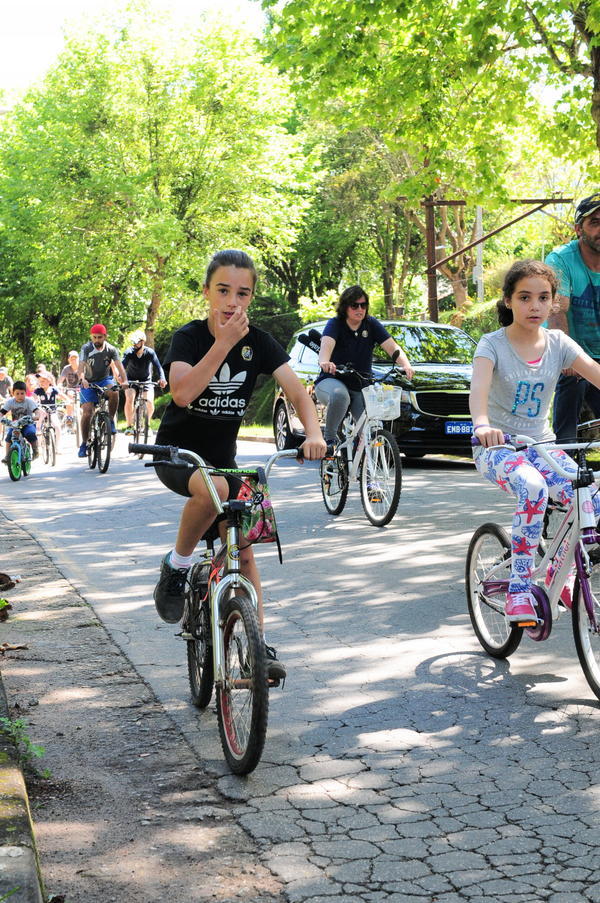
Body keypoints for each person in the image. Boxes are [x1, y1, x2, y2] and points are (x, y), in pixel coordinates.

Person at [152, 249, 327, 680]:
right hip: (178, 455)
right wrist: (224, 343)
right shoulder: (189, 338)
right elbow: (182, 394)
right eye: (223, 291)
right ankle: (176, 566)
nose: (233, 302)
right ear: (207, 291)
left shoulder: (261, 343)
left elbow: (299, 393)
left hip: (222, 465)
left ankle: (257, 643)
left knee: (244, 551)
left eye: (242, 293)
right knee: (219, 490)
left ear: (251, 297)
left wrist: (315, 434)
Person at [470, 259, 600, 623]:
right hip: (497, 447)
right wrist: (482, 426)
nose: (535, 306)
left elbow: (596, 374)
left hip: (542, 446)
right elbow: (477, 392)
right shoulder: (491, 344)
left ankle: (563, 573)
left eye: (544, 298)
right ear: (509, 300)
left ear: (554, 302)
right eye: (525, 297)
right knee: (534, 488)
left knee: (587, 494)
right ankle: (518, 591)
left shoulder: (558, 342)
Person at [314, 285, 414, 444]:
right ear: (345, 307)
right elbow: (326, 345)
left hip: (360, 384)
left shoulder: (371, 324)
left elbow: (392, 347)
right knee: (340, 396)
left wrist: (406, 365)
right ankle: (329, 441)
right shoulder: (335, 324)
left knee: (368, 431)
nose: (359, 309)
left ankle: (364, 462)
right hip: (332, 380)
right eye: (354, 305)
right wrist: (325, 362)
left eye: (363, 305)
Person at [546, 193, 600, 441]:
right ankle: (563, 456)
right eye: (595, 222)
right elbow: (557, 310)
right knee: (570, 383)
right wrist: (568, 356)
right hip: (575, 351)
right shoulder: (561, 260)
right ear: (579, 229)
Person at [77, 324, 128, 458]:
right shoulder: (86, 348)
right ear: (91, 337)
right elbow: (80, 367)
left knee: (114, 392)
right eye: (94, 337)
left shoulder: (111, 349)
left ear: (105, 336)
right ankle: (84, 443)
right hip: (87, 382)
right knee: (87, 412)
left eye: (100, 337)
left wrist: (125, 380)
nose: (97, 340)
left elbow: (120, 367)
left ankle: (110, 420)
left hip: (105, 380)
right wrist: (82, 379)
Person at [122, 330, 167, 434]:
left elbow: (159, 367)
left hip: (146, 380)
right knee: (129, 398)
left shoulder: (150, 352)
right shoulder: (129, 352)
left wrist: (162, 378)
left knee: (150, 402)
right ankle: (129, 426)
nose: (134, 344)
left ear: (142, 342)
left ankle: (147, 424)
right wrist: (121, 378)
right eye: (133, 342)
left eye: (136, 342)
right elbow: (122, 366)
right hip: (131, 381)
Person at [1, 380, 40, 463]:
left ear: (25, 393)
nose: (20, 396)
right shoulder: (10, 402)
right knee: (8, 438)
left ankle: (35, 450)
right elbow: (2, 412)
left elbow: (36, 411)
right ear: (13, 393)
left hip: (28, 423)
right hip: (15, 425)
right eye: (17, 393)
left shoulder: (29, 401)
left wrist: (36, 416)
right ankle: (7, 456)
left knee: (30, 434)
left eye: (22, 393)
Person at [34, 373, 66, 451]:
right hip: (42, 411)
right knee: (39, 420)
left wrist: (68, 400)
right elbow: (34, 397)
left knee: (57, 426)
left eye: (44, 381)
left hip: (52, 411)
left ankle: (57, 446)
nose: (42, 383)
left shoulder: (53, 390)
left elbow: (62, 396)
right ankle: (39, 440)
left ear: (49, 381)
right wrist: (34, 402)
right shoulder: (38, 390)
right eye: (40, 381)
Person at [58, 351, 81, 428]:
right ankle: (69, 417)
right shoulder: (66, 368)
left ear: (79, 359)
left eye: (75, 358)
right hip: (71, 389)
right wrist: (60, 385)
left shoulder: (82, 367)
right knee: (69, 394)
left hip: (82, 389)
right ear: (69, 360)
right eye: (72, 358)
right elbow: (60, 381)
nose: (74, 360)